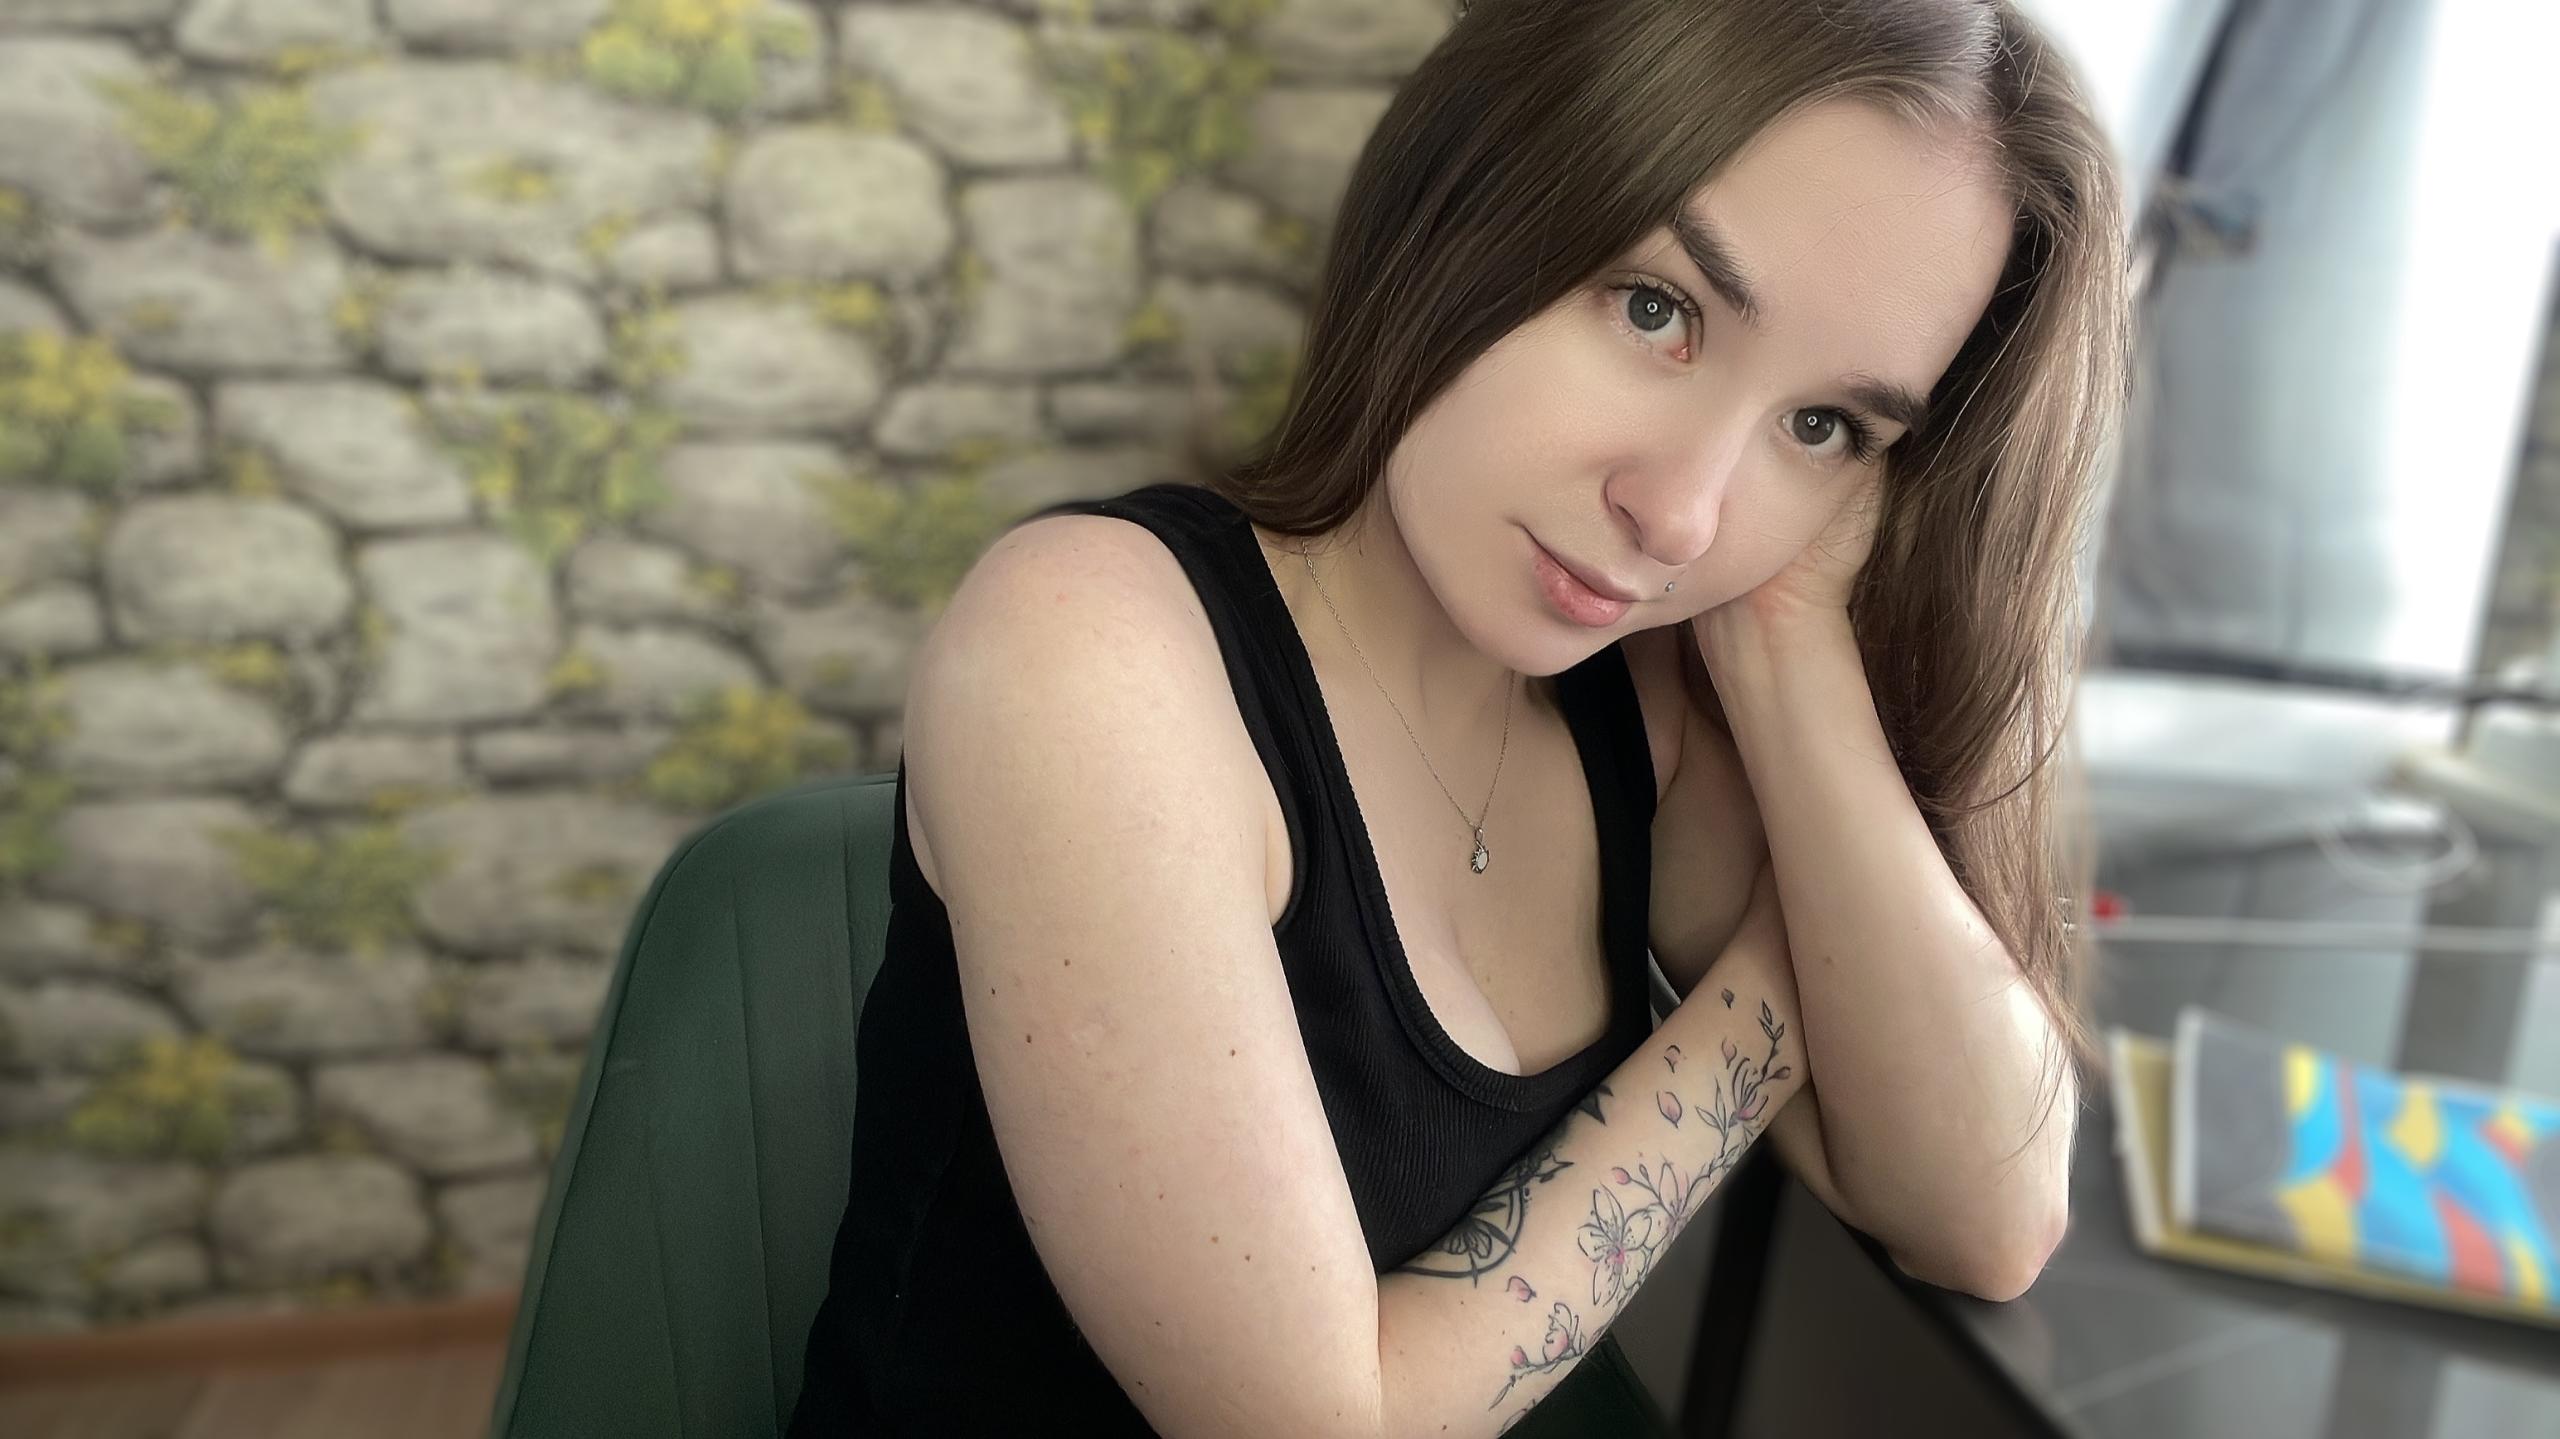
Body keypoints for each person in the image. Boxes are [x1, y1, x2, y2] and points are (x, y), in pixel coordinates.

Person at [786, 0, 2131, 1432]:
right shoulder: (1088, 648)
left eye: (1823, 427)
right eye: (1659, 310)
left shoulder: (1644, 711)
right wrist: (1781, 979)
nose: (1681, 515)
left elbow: (1988, 1213)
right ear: (1468, 197)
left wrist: (1791, 651)